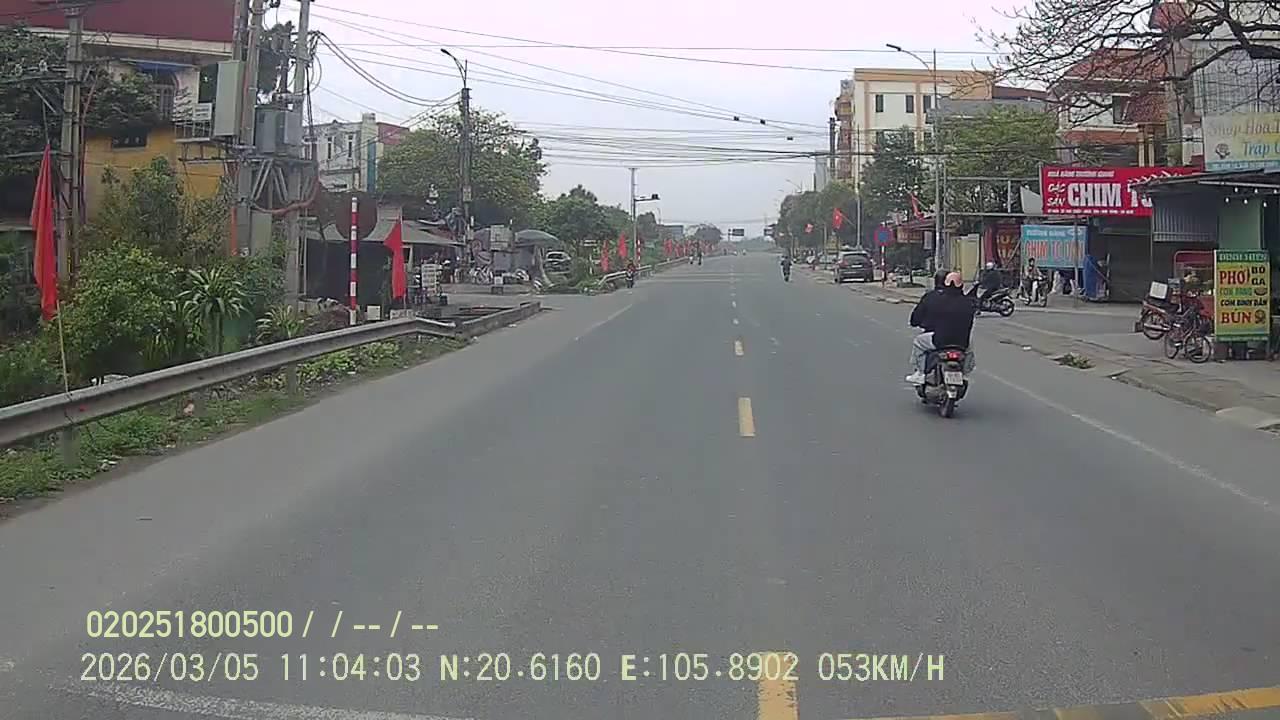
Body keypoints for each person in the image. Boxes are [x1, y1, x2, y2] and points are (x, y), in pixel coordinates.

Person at [906, 271, 976, 385]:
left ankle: (920, 373)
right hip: (962, 342)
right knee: (969, 349)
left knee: (918, 341)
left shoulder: (935, 299)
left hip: (940, 340)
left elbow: (919, 317)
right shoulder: (968, 302)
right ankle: (965, 374)